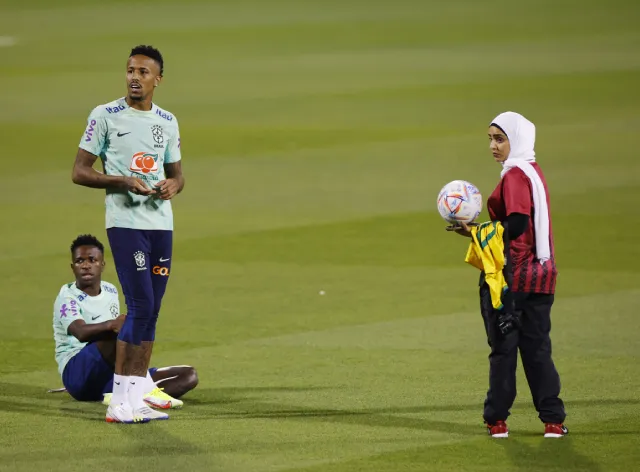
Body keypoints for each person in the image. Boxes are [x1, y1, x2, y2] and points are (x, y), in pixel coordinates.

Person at [71, 45, 185, 423]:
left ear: (158, 80)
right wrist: (121, 181)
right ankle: (120, 400)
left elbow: (177, 174)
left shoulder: (167, 121)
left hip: (160, 225)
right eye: (130, 70)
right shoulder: (104, 115)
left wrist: (173, 185)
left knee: (152, 310)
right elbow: (80, 171)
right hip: (126, 223)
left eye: (143, 72)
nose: (135, 77)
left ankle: (139, 397)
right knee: (138, 307)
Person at [448, 111, 567, 438]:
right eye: (490, 138)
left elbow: (516, 225)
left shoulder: (514, 176)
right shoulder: (533, 171)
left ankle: (497, 420)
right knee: (538, 350)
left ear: (518, 140)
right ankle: (553, 421)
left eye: (500, 139)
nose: (493, 145)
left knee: (503, 352)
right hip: (541, 278)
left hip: (508, 281)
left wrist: (478, 231)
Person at [53, 235, 198, 423]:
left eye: (92, 260)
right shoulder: (67, 296)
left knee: (188, 375)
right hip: (77, 374)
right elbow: (80, 332)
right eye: (80, 261)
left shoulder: (111, 290)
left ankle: (122, 393)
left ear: (102, 264)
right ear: (72, 267)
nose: (86, 265)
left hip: (108, 373)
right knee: (121, 333)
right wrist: (112, 325)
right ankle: (144, 390)